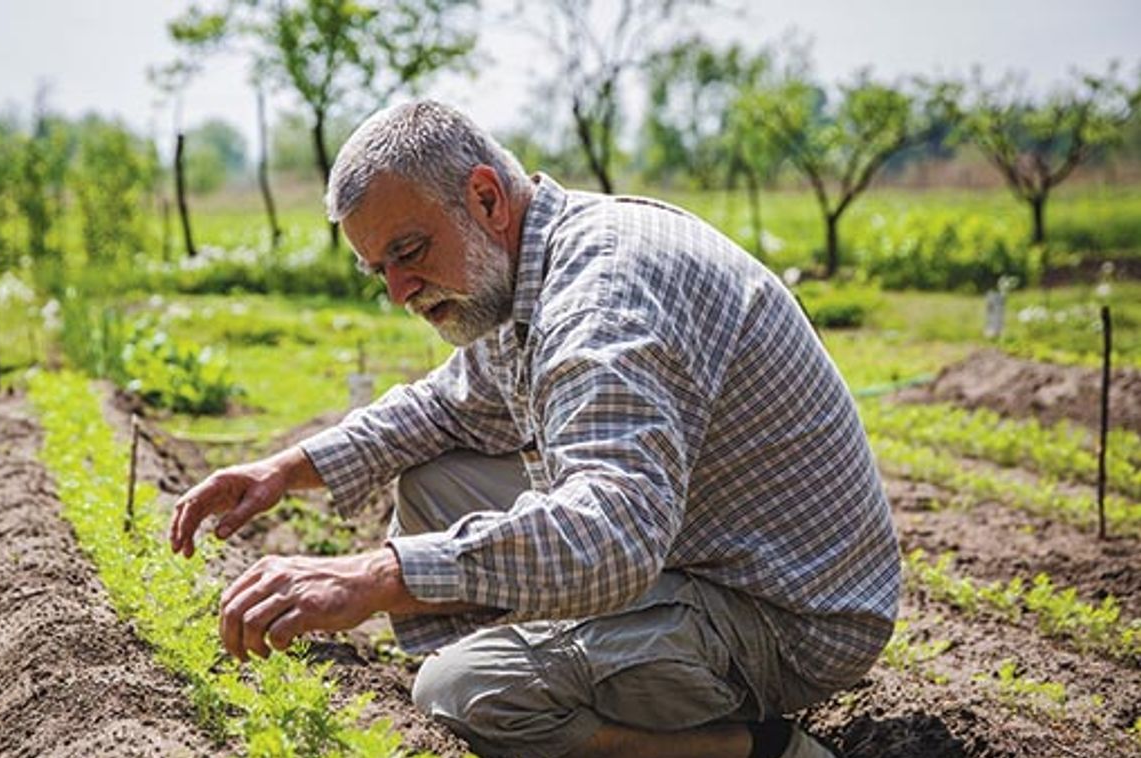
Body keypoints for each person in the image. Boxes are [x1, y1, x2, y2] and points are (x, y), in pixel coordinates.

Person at [169, 100, 900, 758]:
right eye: (377, 270)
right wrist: (283, 470)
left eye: (409, 252)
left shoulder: (601, 300)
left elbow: (612, 535)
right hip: (700, 542)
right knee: (435, 479)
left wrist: (377, 575)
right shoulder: (531, 268)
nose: (397, 291)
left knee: (460, 692)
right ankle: (546, 675)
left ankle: (753, 750)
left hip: (783, 614)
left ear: (485, 197)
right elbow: (445, 407)